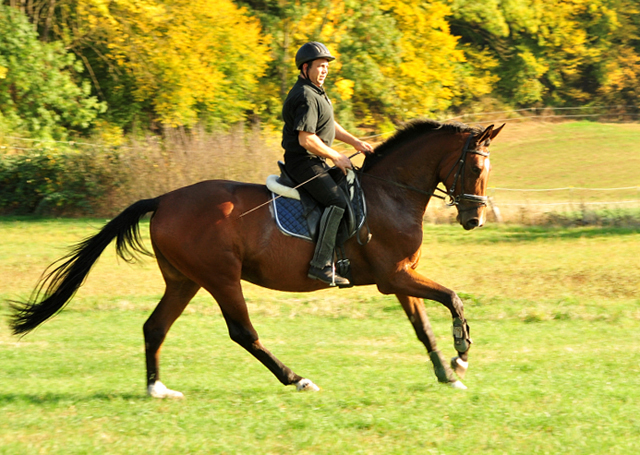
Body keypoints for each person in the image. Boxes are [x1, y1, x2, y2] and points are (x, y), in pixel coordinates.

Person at [281, 41, 373, 287]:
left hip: (315, 159)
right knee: (336, 201)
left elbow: (328, 125)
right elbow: (306, 139)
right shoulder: (305, 95)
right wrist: (335, 155)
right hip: (303, 162)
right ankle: (320, 265)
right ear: (305, 67)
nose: (324, 70)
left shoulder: (318, 93)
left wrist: (354, 142)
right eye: (320, 66)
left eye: (326, 67)